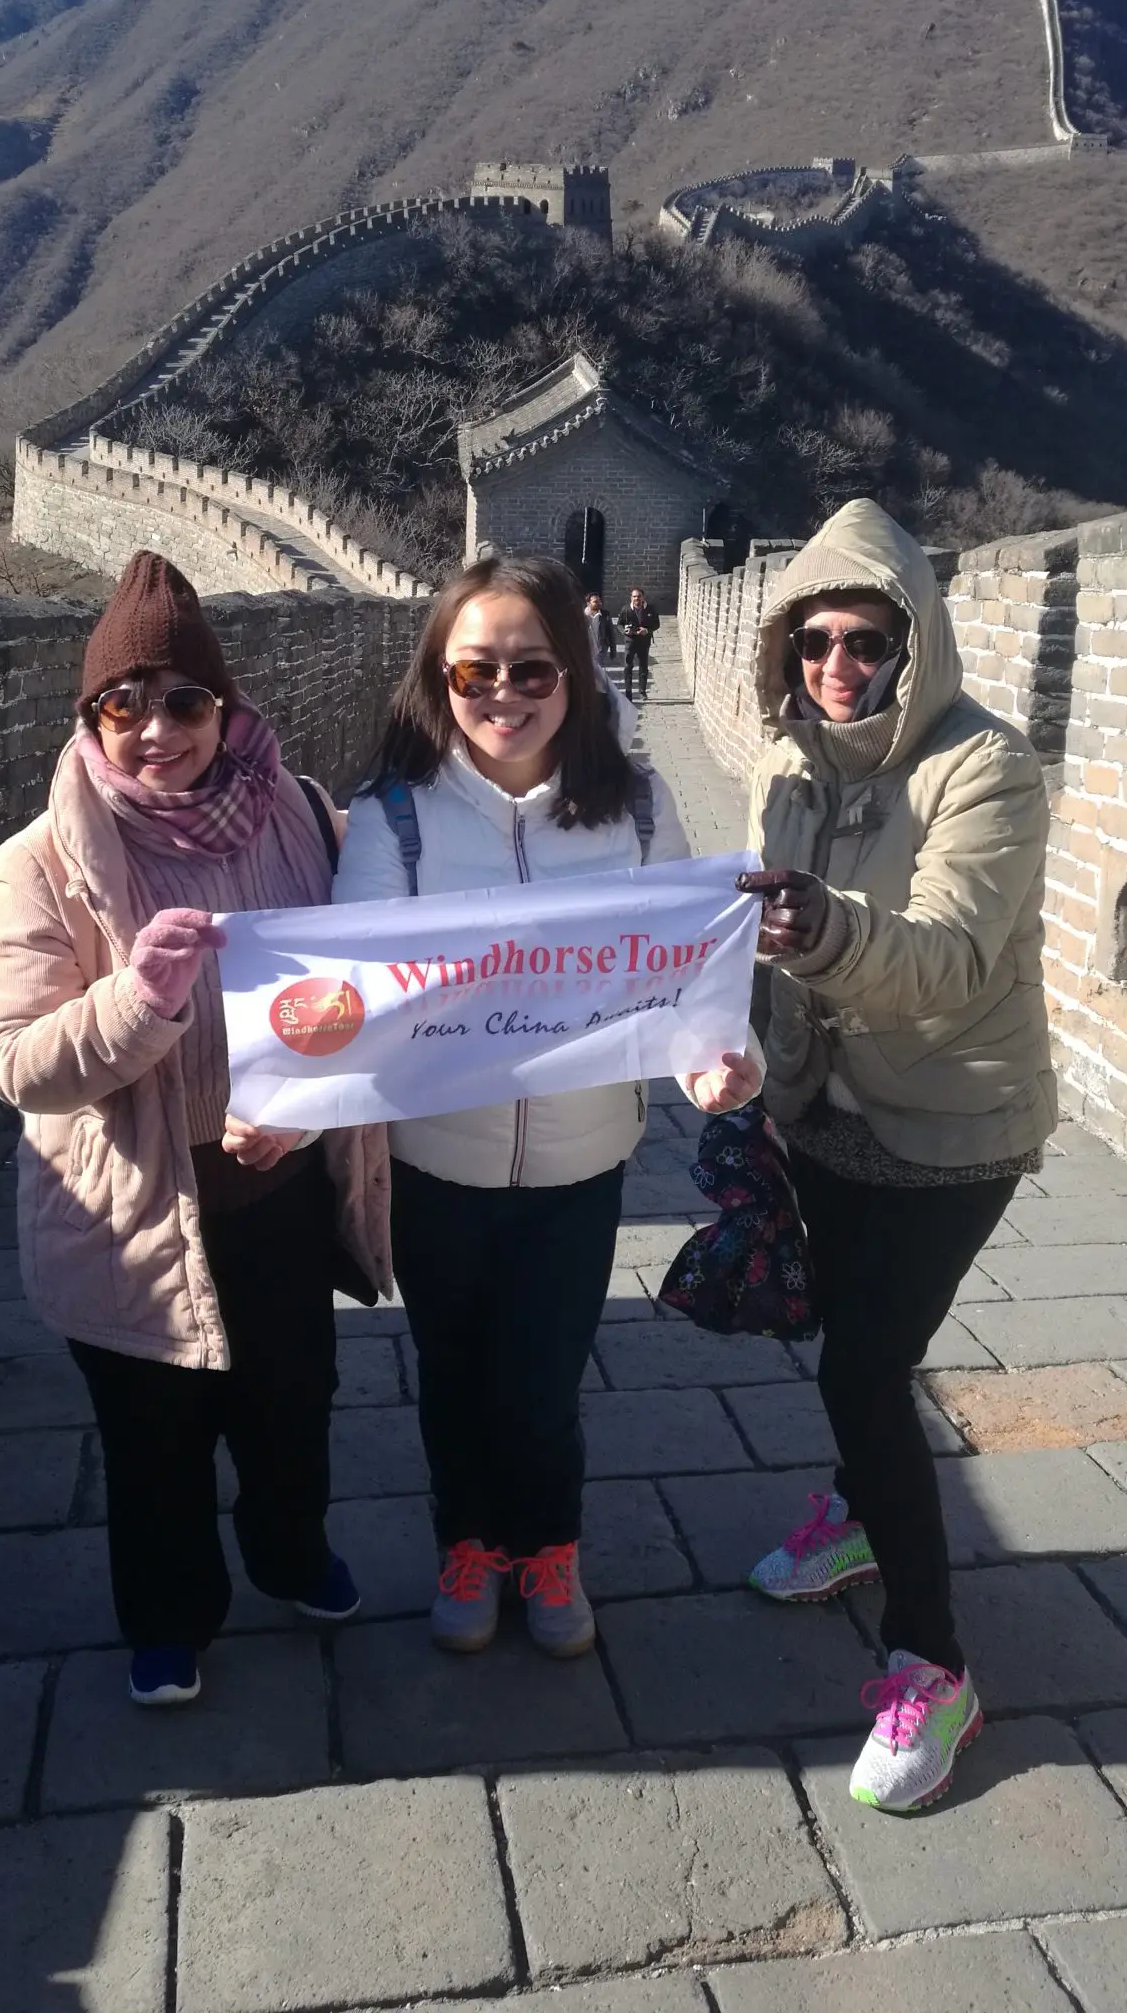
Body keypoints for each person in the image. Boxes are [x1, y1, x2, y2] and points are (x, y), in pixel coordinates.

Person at [0, 550, 389, 1708]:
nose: (157, 731)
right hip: (133, 1206)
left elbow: (372, 984)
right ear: (90, 717)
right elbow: (14, 1060)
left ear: (225, 707)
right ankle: (168, 1620)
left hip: (281, 1197)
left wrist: (308, 1108)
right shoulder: (40, 864)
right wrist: (137, 1002)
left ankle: (291, 1555)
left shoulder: (305, 818)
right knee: (153, 1438)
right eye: (125, 706)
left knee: (292, 1408)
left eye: (185, 702)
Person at [334, 553, 755, 1659]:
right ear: (440, 676)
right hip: (437, 1165)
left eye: (532, 668)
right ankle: (468, 1544)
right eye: (475, 670)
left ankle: (548, 1544)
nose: (504, 693)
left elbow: (683, 970)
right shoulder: (395, 817)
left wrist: (716, 1060)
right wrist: (286, 1090)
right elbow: (352, 988)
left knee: (542, 1385)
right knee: (454, 1378)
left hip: (580, 1161)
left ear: (575, 669)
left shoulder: (637, 808)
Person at [734, 500, 1054, 1814]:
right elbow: (751, 936)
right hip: (823, 1112)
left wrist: (823, 929)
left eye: (867, 640)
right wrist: (731, 1054)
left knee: (867, 1367)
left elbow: (951, 957)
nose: (838, 665)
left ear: (914, 642)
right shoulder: (786, 762)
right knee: (857, 1351)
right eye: (814, 641)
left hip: (949, 1127)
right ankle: (861, 1515)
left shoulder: (987, 767)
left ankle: (934, 1664)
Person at [617, 586, 659, 701]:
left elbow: (656, 624)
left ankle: (642, 691)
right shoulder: (626, 609)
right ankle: (628, 692)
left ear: (643, 597)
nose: (637, 598)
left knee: (643, 666)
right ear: (631, 597)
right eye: (634, 596)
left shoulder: (650, 609)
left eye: (639, 596)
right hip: (630, 641)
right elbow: (619, 624)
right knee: (628, 667)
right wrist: (624, 631)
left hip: (644, 641)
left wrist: (647, 630)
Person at [583, 590, 616, 668]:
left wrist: (613, 650)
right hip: (586, 649)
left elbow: (611, 633)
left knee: (597, 667)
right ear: (588, 603)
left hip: (600, 648)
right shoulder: (582, 615)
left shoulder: (605, 615)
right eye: (595, 602)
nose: (599, 603)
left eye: (599, 601)